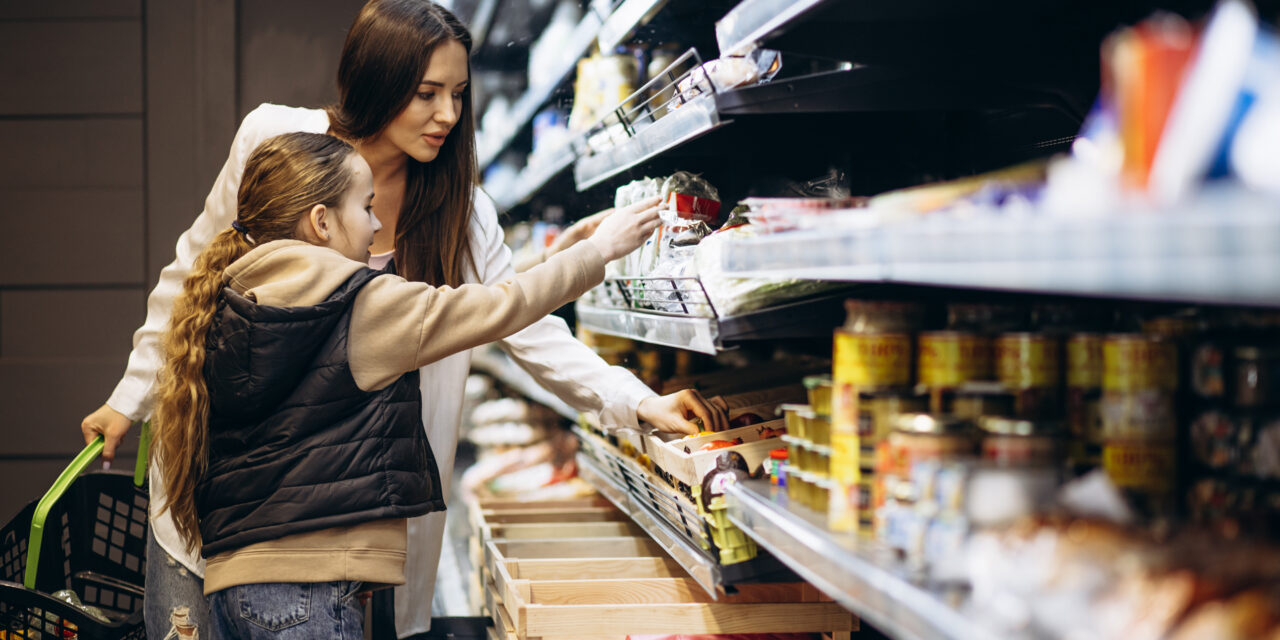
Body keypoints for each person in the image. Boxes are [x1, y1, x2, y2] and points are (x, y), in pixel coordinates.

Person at [78, 0, 727, 637]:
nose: (447, 114)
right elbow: (191, 274)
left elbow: (527, 327)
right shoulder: (273, 143)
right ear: (378, 80)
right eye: (426, 92)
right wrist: (128, 399)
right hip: (217, 500)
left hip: (356, 528)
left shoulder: (458, 211)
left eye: (458, 94)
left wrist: (638, 401)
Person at [151, 130, 658, 638]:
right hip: (307, 598)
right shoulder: (359, 305)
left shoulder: (226, 301)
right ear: (321, 221)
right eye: (365, 207)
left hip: (232, 589)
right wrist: (599, 251)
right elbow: (495, 309)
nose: (375, 225)